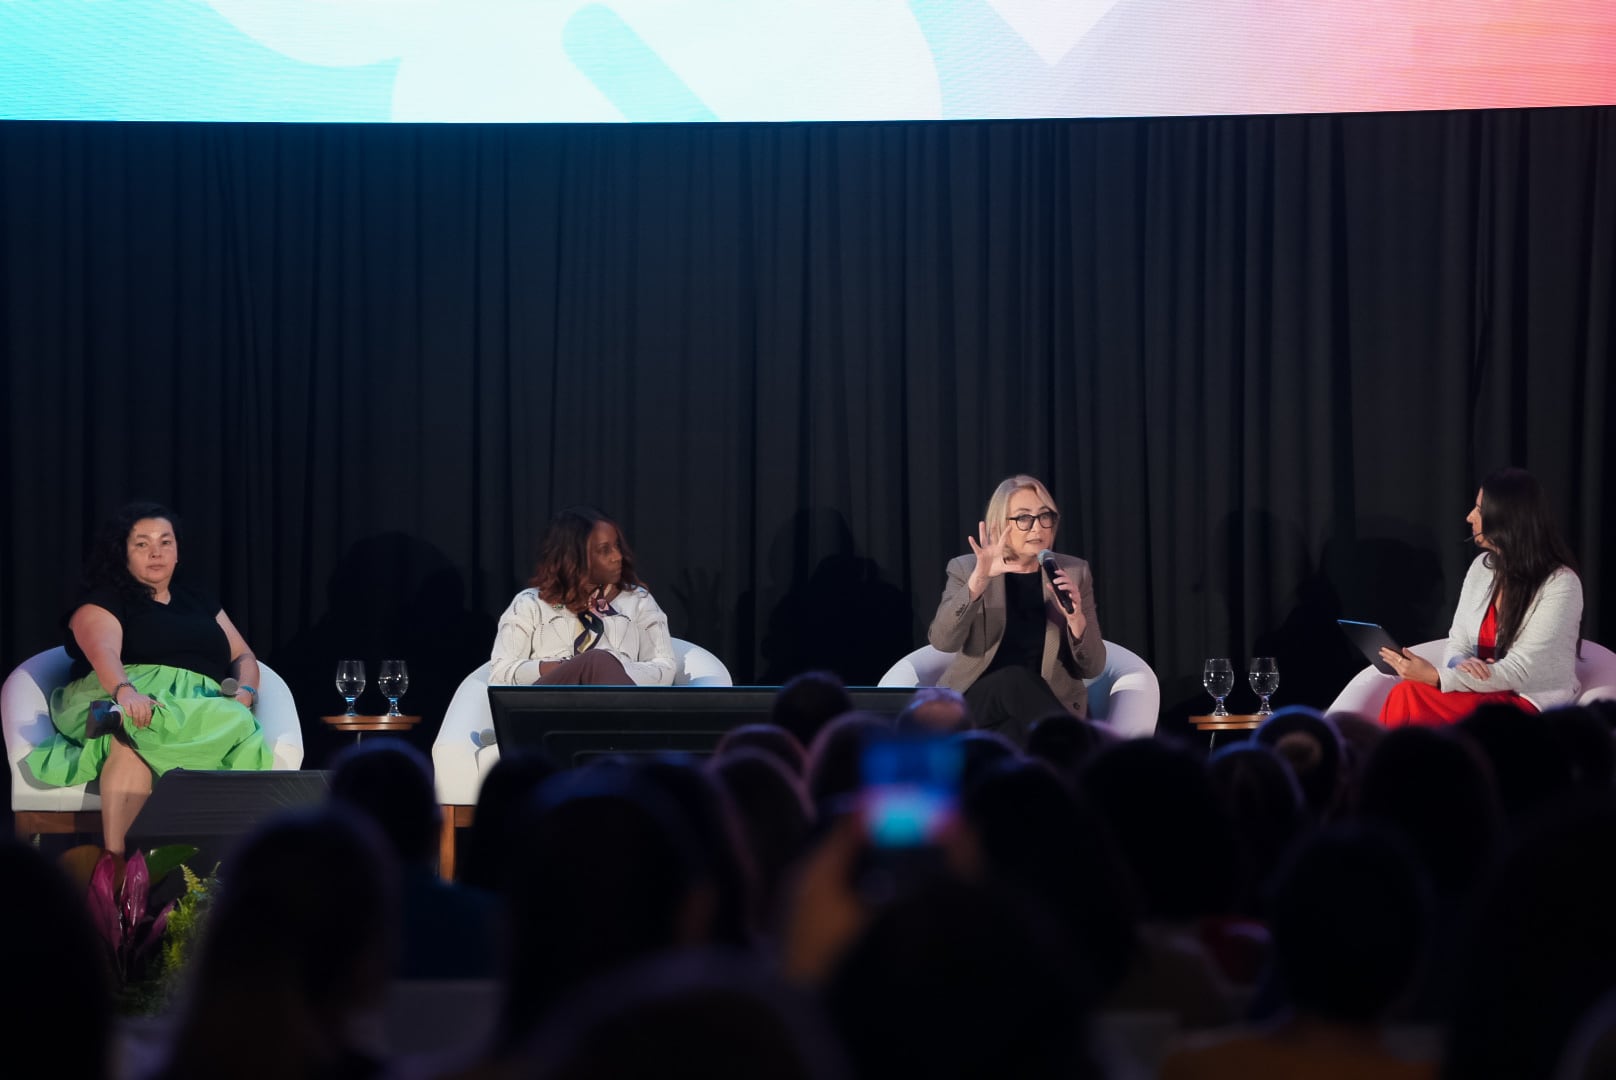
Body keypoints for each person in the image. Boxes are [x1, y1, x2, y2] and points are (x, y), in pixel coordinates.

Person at [23, 502, 273, 854]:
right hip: (125, 689)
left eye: (165, 542)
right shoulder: (105, 599)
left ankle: (186, 878)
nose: (156, 552)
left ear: (177, 551)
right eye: (141, 543)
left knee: (233, 717)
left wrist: (247, 690)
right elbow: (103, 652)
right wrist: (125, 692)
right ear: (121, 553)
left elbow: (243, 655)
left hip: (196, 707)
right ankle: (122, 874)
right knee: (132, 736)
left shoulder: (199, 600)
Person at [1379, 468, 1582, 726]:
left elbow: (1522, 670)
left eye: (1479, 509)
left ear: (1507, 519)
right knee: (1406, 694)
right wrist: (1462, 663)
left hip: (1525, 700)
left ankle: (1381, 764)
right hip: (1480, 688)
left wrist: (1438, 677)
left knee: (1408, 695)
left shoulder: (1561, 583)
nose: (1469, 517)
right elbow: (1458, 641)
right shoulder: (1482, 567)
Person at [928, 475, 1105, 742]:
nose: (1037, 528)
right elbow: (942, 641)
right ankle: (1083, 751)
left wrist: (1075, 617)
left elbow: (1092, 668)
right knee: (1012, 679)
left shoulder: (1073, 571)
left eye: (1045, 516)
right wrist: (979, 581)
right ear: (1000, 524)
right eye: (1024, 518)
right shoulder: (966, 568)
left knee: (1015, 735)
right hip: (975, 704)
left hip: (1039, 707)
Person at [490, 506, 676, 686]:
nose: (617, 556)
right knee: (595, 661)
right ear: (573, 557)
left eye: (616, 546)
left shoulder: (638, 601)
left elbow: (665, 668)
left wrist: (608, 670)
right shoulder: (530, 603)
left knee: (599, 662)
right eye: (605, 550)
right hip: (548, 708)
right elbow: (500, 672)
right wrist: (568, 668)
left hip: (613, 704)